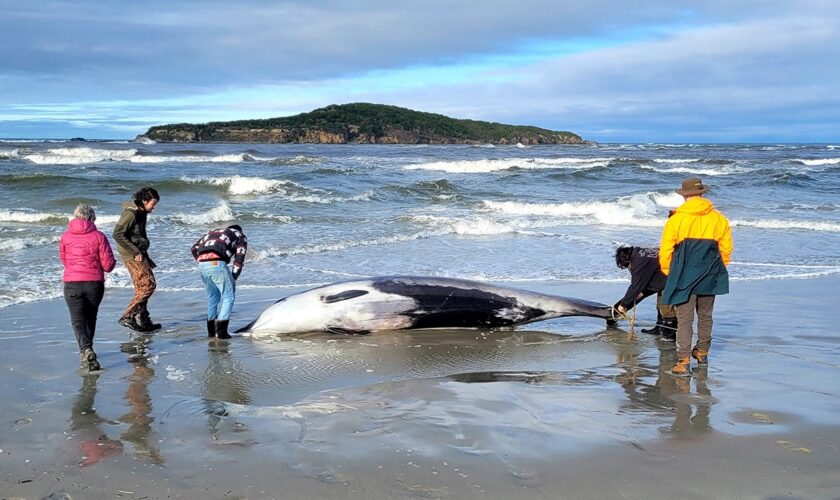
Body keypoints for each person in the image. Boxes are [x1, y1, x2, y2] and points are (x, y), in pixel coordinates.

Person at [659, 177, 733, 376]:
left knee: (684, 319)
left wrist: (669, 272)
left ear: (685, 197)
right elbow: (726, 249)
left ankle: (683, 361)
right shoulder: (719, 219)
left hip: (683, 274)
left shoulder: (676, 219)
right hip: (710, 272)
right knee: (706, 316)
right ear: (702, 194)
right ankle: (702, 352)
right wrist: (718, 268)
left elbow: (665, 250)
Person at [59, 203, 116, 371]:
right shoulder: (99, 236)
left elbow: (64, 260)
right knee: (91, 318)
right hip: (94, 284)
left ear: (76, 216)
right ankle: (87, 349)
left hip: (72, 283)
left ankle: (86, 349)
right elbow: (108, 265)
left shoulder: (65, 237)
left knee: (77, 320)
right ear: (91, 218)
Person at [113, 187, 161, 332]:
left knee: (142, 287)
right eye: (153, 203)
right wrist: (135, 251)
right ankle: (128, 316)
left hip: (139, 253)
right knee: (148, 286)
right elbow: (117, 234)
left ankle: (144, 320)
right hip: (132, 255)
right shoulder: (131, 214)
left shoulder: (142, 212)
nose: (154, 207)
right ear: (144, 201)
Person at [190, 224, 248, 339]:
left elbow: (194, 248)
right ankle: (221, 332)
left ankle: (211, 333)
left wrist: (202, 261)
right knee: (229, 297)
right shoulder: (240, 236)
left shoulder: (213, 232)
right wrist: (234, 277)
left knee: (213, 297)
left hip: (202, 265)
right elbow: (239, 259)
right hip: (217, 263)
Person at [613, 245, 677, 340]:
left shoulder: (639, 262)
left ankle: (670, 334)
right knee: (660, 305)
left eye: (627, 266)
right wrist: (642, 292)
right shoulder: (640, 253)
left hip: (673, 275)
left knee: (666, 307)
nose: (629, 268)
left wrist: (623, 305)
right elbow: (646, 280)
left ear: (626, 259)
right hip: (665, 274)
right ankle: (659, 328)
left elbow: (635, 287)